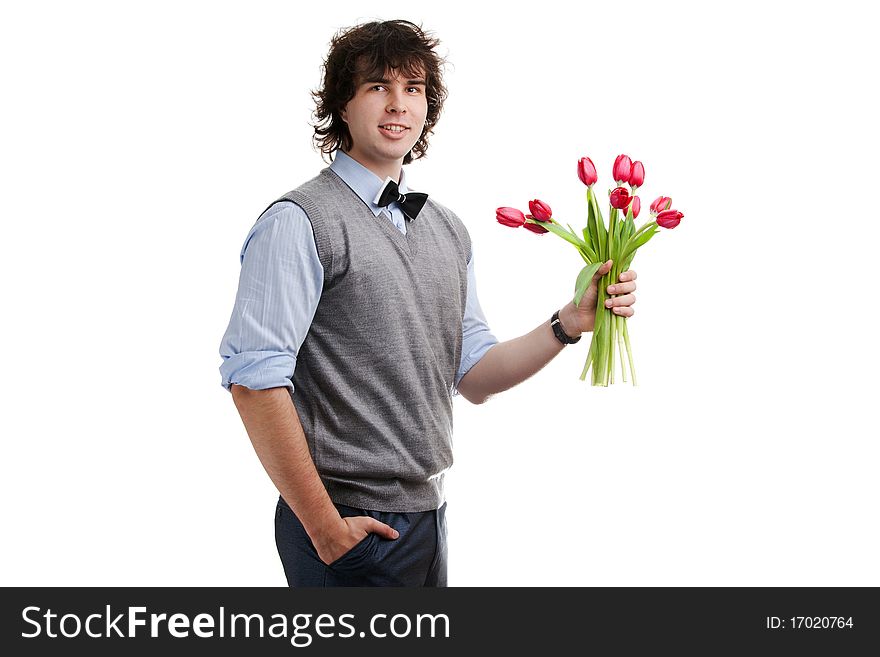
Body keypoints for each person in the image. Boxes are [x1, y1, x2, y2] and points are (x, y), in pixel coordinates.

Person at [218, 19, 637, 587]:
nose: (397, 106)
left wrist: (569, 323)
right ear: (343, 103)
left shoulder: (448, 230)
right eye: (377, 87)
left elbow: (476, 375)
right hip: (345, 526)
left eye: (412, 89)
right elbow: (254, 381)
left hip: (428, 519)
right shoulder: (299, 222)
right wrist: (324, 529)